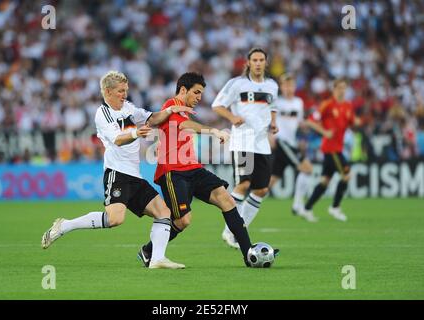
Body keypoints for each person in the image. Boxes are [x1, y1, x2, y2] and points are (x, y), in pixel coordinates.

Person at [41, 70, 195, 269]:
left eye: (126, 90)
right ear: (108, 91)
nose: (125, 94)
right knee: (115, 219)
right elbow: (118, 139)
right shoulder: (103, 113)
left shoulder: (128, 108)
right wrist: (136, 132)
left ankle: (157, 259)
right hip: (117, 173)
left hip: (135, 176)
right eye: (121, 91)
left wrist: (170, 111)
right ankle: (65, 225)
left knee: (163, 211)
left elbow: (152, 118)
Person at [137, 72, 256, 267]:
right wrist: (213, 131)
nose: (199, 97)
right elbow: (185, 126)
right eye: (196, 92)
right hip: (173, 171)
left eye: (201, 93)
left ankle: (249, 254)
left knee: (226, 199)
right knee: (183, 221)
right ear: (183, 90)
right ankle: (148, 251)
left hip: (193, 167)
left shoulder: (185, 110)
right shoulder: (170, 106)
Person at [212, 47, 279, 248]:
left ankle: (238, 228)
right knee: (243, 184)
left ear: (266, 63)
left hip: (261, 144)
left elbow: (273, 107)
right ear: (248, 63)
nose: (258, 63)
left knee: (262, 189)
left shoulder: (272, 86)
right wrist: (232, 117)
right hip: (242, 141)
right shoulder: (237, 84)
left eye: (261, 59)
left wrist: (273, 122)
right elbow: (217, 105)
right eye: (255, 60)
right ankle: (231, 231)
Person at [301, 78, 359, 221]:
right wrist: (324, 132)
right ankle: (335, 207)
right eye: (339, 88)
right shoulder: (327, 105)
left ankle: (307, 208)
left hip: (337, 147)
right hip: (331, 148)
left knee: (325, 181)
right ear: (333, 89)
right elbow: (310, 120)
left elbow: (351, 122)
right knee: (347, 175)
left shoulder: (347, 106)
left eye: (344, 88)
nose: (342, 90)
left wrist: (357, 122)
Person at [268, 73, 316, 222]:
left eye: (291, 85)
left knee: (270, 182)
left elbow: (299, 122)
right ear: (281, 87)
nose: (288, 88)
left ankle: (244, 202)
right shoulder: (276, 103)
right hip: (281, 142)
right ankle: (297, 206)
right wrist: (269, 135)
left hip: (291, 143)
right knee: (307, 168)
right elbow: (267, 121)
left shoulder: (298, 102)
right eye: (285, 85)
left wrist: (305, 129)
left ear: (295, 87)